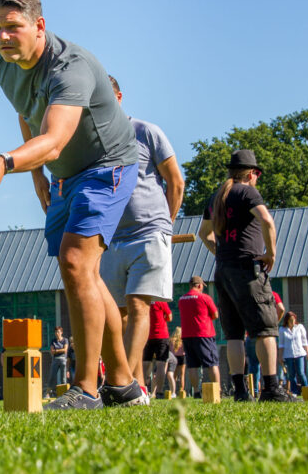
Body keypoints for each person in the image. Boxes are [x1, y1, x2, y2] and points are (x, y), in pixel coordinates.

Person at [0, 0, 141, 410]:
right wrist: (37, 175)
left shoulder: (71, 67)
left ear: (39, 25)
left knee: (75, 261)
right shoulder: (2, 64)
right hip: (62, 172)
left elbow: (56, 137)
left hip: (106, 166)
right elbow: (26, 112)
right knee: (83, 274)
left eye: (13, 27)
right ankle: (123, 384)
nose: (3, 37)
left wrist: (6, 163)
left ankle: (86, 389)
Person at [98, 75, 184, 404]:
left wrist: (167, 223)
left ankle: (129, 383)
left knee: (137, 306)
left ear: (118, 97)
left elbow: (175, 181)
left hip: (150, 233)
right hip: (111, 238)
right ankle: (124, 382)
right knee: (114, 314)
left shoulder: (146, 132)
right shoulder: (93, 142)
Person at [198, 149, 297, 402]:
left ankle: (240, 391)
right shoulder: (247, 192)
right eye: (258, 174)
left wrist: (220, 252)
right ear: (252, 173)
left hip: (223, 270)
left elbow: (204, 234)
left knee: (233, 334)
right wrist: (270, 254)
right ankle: (271, 388)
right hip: (248, 268)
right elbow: (267, 221)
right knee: (265, 329)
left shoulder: (217, 196)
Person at [178, 275, 221, 391]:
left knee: (192, 365)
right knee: (212, 363)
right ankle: (217, 391)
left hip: (187, 335)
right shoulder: (205, 298)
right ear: (200, 285)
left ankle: (196, 391)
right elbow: (215, 315)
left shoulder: (181, 299)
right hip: (204, 334)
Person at [143, 301, 173, 398]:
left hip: (147, 336)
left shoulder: (144, 300)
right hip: (162, 336)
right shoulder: (161, 302)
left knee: (146, 364)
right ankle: (159, 392)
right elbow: (170, 317)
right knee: (161, 364)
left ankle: (143, 390)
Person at [277, 312, 308, 395]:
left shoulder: (300, 327)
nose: (293, 322)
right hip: (288, 355)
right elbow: (281, 344)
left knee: (301, 373)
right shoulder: (282, 329)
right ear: (287, 320)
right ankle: (294, 391)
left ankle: (306, 390)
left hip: (299, 353)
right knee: (291, 374)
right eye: (291, 320)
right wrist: (280, 356)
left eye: (294, 320)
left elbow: (304, 341)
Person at [48, 326, 69, 396]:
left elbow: (65, 350)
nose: (57, 333)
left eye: (58, 332)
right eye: (56, 332)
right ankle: (49, 393)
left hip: (63, 359)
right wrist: (60, 350)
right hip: (55, 359)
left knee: (63, 378)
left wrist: (56, 350)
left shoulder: (65, 340)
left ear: (61, 332)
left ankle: (64, 393)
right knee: (52, 376)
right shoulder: (53, 341)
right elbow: (52, 351)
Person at [169, 327, 187, 395]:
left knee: (174, 375)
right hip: (182, 357)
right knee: (182, 375)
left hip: (174, 357)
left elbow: (170, 350)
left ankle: (173, 390)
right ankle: (181, 390)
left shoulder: (171, 340)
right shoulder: (182, 340)